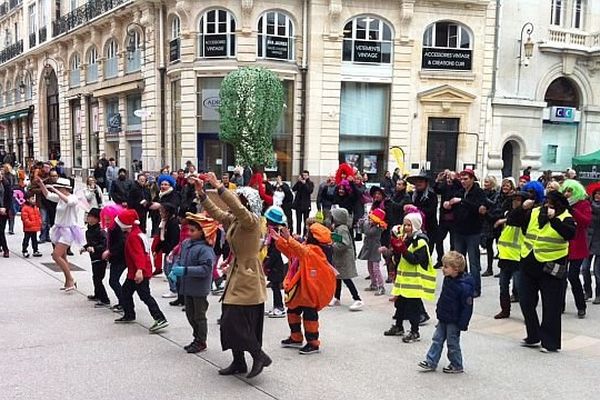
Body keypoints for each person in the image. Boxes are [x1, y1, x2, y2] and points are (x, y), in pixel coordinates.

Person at [195, 172, 272, 379]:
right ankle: (239, 362)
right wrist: (202, 195)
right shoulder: (237, 220)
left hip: (248, 276)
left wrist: (219, 186)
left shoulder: (251, 221)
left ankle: (258, 355)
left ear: (249, 203)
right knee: (228, 322)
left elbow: (237, 208)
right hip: (236, 274)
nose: (237, 201)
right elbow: (218, 213)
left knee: (234, 321)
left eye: (241, 198)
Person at [519, 191, 576, 352]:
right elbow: (515, 221)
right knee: (525, 301)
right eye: (546, 202)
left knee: (551, 305)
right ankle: (533, 335)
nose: (547, 206)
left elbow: (570, 234)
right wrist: (522, 209)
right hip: (530, 260)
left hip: (552, 264)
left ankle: (550, 342)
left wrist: (554, 219)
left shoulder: (566, 217)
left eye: (551, 203)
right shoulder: (536, 212)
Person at [272, 222, 337, 355]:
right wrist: (280, 239)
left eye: (309, 233)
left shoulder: (316, 250)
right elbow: (292, 251)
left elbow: (301, 251)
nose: (306, 234)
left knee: (310, 316)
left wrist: (289, 238)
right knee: (292, 311)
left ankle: (313, 343)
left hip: (309, 291)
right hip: (300, 290)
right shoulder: (308, 247)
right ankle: (296, 337)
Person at [114, 209, 169, 333]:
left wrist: (139, 270)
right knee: (126, 291)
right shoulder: (138, 233)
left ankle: (160, 318)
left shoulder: (133, 237)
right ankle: (129, 314)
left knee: (144, 295)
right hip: (137, 271)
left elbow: (138, 255)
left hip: (139, 272)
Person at [418, 251, 473, 373]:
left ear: (456, 269)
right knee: (437, 339)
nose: (443, 269)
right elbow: (444, 298)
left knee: (452, 343)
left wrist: (463, 323)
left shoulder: (464, 286)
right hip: (444, 317)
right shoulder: (448, 280)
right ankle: (431, 361)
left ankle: (457, 364)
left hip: (454, 320)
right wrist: (439, 311)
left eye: (446, 267)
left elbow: (467, 307)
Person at [384, 213, 436, 343]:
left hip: (414, 282)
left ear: (416, 225)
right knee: (400, 304)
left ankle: (414, 331)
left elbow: (415, 260)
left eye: (409, 225)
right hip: (404, 280)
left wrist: (402, 249)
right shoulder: (406, 238)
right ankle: (399, 326)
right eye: (405, 224)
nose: (406, 227)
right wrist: (395, 244)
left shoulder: (421, 241)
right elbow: (399, 257)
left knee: (413, 308)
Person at [169, 213, 216, 353]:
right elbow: (179, 258)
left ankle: (201, 340)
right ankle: (196, 337)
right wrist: (175, 269)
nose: (189, 233)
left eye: (193, 230)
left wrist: (185, 271)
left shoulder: (205, 249)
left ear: (202, 232)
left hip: (199, 288)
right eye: (188, 230)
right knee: (190, 314)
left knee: (199, 316)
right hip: (186, 286)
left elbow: (206, 269)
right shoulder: (186, 244)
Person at [35, 176, 84, 291]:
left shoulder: (73, 198)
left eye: (59, 188)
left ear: (65, 189)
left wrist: (55, 189)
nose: (56, 189)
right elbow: (48, 196)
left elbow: (70, 202)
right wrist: (41, 184)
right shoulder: (60, 198)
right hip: (59, 229)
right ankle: (69, 280)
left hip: (68, 231)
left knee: (56, 255)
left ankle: (70, 279)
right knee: (62, 256)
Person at [444, 170, 486, 297]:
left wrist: (461, 201)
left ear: (472, 179)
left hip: (473, 231)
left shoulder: (478, 192)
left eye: (466, 179)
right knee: (459, 261)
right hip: (459, 230)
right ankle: (462, 284)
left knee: (474, 261)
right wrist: (448, 204)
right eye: (461, 179)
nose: (463, 181)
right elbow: (450, 201)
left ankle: (475, 288)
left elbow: (478, 208)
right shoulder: (460, 191)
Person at [493, 191, 529, 319]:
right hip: (506, 257)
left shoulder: (526, 216)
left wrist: (523, 208)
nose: (515, 202)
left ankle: (528, 315)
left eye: (519, 200)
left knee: (521, 289)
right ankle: (505, 310)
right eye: (514, 200)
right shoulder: (510, 213)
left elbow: (515, 219)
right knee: (503, 287)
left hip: (519, 258)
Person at [560, 179, 591, 318]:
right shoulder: (561, 205)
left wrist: (572, 210)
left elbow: (586, 222)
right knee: (560, 276)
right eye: (565, 190)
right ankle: (560, 305)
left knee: (573, 276)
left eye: (570, 191)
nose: (567, 193)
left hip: (577, 246)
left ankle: (581, 306)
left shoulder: (583, 204)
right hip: (562, 245)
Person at [329, 208, 363, 311]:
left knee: (346, 278)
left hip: (344, 258)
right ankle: (337, 297)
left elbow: (345, 243)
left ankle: (357, 298)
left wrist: (332, 245)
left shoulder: (342, 229)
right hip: (339, 258)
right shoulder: (339, 228)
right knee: (338, 277)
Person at [81, 208, 110, 308]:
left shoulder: (100, 231)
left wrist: (94, 248)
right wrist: (85, 247)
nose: (88, 218)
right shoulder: (89, 230)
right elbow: (90, 243)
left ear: (97, 219)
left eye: (91, 217)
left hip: (100, 258)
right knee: (95, 277)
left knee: (98, 279)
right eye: (88, 216)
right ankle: (97, 294)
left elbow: (104, 245)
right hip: (93, 258)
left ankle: (105, 299)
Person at [263, 206, 288, 318]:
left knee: (276, 286)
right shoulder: (273, 232)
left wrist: (268, 263)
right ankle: (276, 306)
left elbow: (275, 251)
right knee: (274, 286)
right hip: (275, 263)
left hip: (277, 264)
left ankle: (280, 307)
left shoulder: (276, 234)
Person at [101, 204, 126, 312]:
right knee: (114, 281)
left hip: (120, 258)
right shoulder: (113, 228)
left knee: (113, 281)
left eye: (108, 219)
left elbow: (121, 244)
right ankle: (123, 302)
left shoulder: (117, 228)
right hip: (117, 258)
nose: (106, 221)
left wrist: (109, 251)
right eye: (105, 219)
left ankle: (124, 303)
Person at [359, 208, 387, 295]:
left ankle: (381, 286)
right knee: (370, 267)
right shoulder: (370, 225)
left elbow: (368, 232)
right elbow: (362, 231)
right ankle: (373, 283)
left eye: (372, 219)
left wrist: (364, 223)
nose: (370, 220)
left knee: (376, 268)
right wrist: (361, 224)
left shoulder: (378, 228)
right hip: (369, 248)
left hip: (375, 250)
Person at [480, 175, 500, 277]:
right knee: (488, 246)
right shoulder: (483, 192)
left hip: (494, 221)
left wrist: (484, 199)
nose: (485, 184)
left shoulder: (496, 193)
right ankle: (489, 268)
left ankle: (501, 268)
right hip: (485, 222)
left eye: (487, 182)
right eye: (485, 182)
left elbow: (494, 204)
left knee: (499, 246)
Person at [584, 182, 600, 304]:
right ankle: (587, 291)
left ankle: (598, 294)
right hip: (588, 241)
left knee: (597, 271)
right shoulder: (587, 206)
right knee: (585, 268)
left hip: (598, 241)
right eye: (596, 193)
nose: (597, 196)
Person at [292, 170, 314, 236]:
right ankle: (298, 234)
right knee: (298, 221)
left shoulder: (310, 183)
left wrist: (305, 184)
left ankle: (305, 234)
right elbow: (293, 189)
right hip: (298, 205)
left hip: (306, 205)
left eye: (305, 175)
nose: (304, 177)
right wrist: (298, 181)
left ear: (308, 176)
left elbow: (310, 191)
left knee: (306, 221)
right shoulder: (299, 183)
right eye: (303, 175)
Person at [20, 192, 42, 258]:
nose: (34, 200)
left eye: (34, 199)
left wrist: (39, 222)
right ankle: (24, 250)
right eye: (32, 199)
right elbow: (25, 218)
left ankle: (35, 250)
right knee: (26, 239)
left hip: (34, 227)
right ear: (27, 200)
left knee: (34, 239)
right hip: (28, 227)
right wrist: (30, 223)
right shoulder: (25, 208)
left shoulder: (35, 208)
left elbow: (38, 216)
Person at [0, 169, 10, 257]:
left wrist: (5, 208)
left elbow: (9, 199)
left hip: (4, 212)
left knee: (1, 230)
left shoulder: (6, 184)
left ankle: (6, 249)